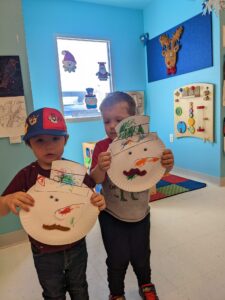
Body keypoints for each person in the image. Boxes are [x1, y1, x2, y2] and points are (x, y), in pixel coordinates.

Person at [0, 107, 106, 300]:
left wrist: (97, 200)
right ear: (29, 144)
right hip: (44, 251)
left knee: (79, 288)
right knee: (53, 293)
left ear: (65, 140)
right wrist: (7, 200)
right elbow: (1, 209)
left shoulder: (71, 172)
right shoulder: (26, 176)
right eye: (40, 140)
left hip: (76, 244)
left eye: (55, 139)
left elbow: (90, 194)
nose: (48, 146)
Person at [90, 92, 174, 300]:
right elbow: (95, 179)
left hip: (140, 214)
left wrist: (168, 164)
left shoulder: (147, 143)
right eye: (106, 121)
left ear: (133, 120)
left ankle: (146, 284)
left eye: (118, 120)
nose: (111, 126)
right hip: (111, 215)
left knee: (142, 256)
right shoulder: (102, 148)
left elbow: (159, 172)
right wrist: (101, 166)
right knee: (117, 259)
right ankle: (116, 293)